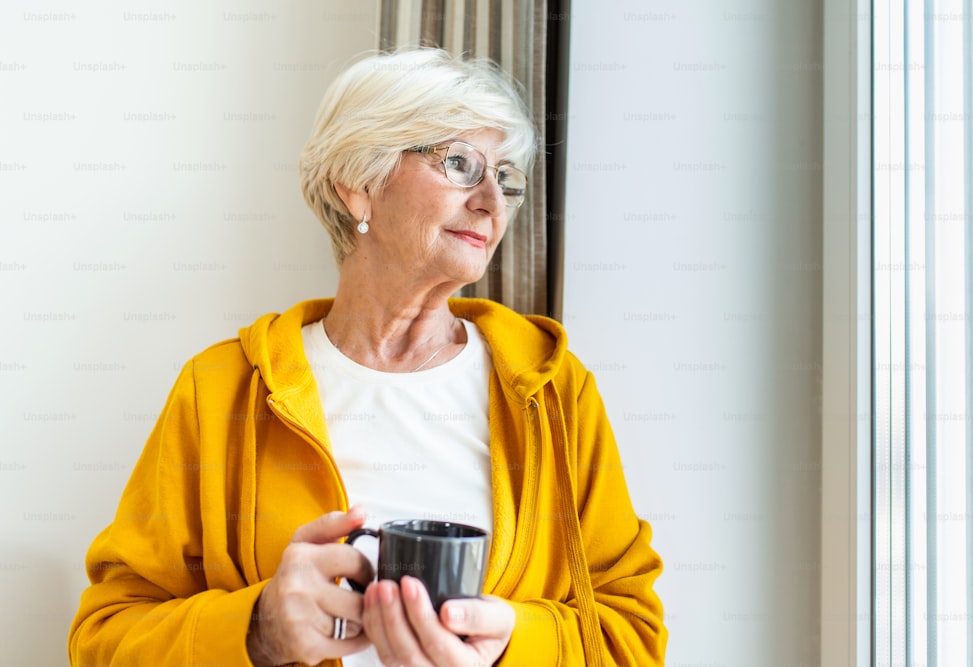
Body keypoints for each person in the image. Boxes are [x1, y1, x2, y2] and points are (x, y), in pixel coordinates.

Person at [68, 47, 667, 666]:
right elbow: (104, 639)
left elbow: (631, 637)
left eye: (506, 178)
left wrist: (511, 644)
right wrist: (256, 628)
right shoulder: (220, 390)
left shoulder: (551, 389)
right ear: (359, 184)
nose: (492, 201)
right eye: (461, 163)